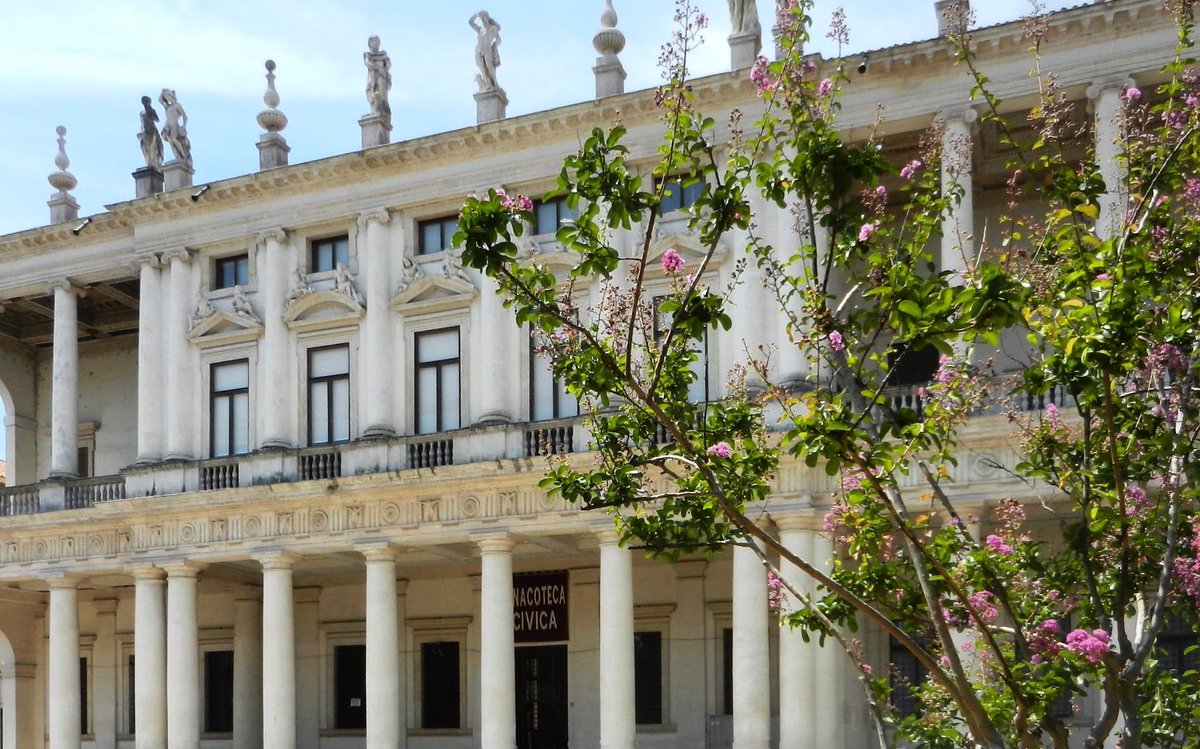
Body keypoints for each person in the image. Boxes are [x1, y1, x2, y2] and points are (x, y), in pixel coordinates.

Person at [468, 10, 502, 92]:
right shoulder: (480, 29)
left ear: (487, 17)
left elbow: (499, 39)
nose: (483, 19)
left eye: (484, 17)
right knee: (483, 69)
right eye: (481, 18)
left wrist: (494, 45)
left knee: (489, 67)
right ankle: (488, 85)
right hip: (478, 51)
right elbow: (470, 22)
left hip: (488, 49)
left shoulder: (492, 28)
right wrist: (476, 15)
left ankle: (495, 84)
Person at [159, 89, 192, 167]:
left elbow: (185, 116)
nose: (167, 99)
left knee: (174, 139)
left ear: (171, 97)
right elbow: (160, 100)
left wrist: (184, 126)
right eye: (166, 97)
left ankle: (182, 155)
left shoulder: (177, 105)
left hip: (174, 126)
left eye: (168, 97)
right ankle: (177, 156)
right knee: (171, 142)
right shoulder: (167, 107)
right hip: (167, 127)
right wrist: (163, 92)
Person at [364, 36, 392, 121]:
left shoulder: (384, 54)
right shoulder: (367, 55)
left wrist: (383, 66)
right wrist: (378, 66)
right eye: (373, 42)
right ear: (370, 44)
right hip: (373, 76)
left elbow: (388, 64)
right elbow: (368, 63)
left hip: (382, 76)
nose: (375, 43)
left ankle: (382, 111)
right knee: (372, 93)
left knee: (381, 94)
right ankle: (375, 110)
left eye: (376, 41)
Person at [137, 96, 164, 170]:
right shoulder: (142, 112)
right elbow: (142, 122)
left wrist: (150, 111)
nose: (146, 103)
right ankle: (149, 163)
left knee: (154, 147)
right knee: (145, 148)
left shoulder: (151, 110)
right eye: (144, 101)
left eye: (147, 101)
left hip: (152, 130)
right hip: (145, 131)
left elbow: (157, 119)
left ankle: (155, 164)